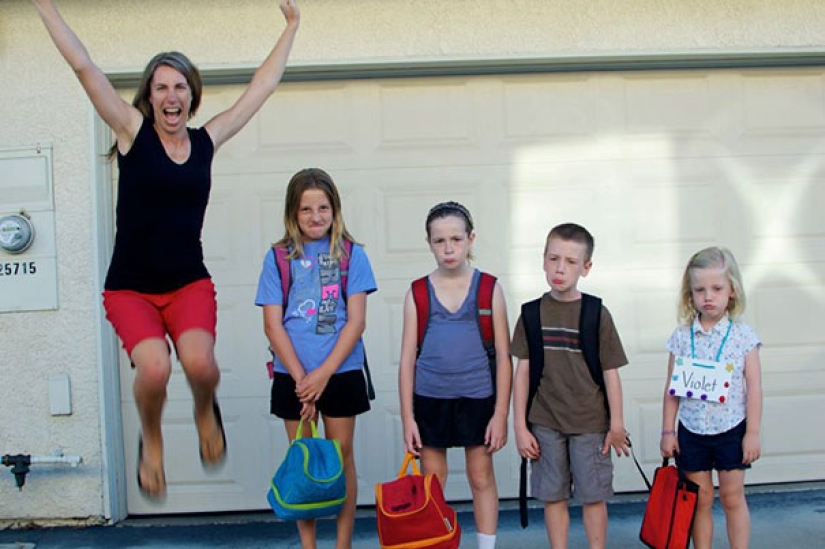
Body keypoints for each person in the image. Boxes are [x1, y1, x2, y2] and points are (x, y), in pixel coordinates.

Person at [32, 0, 301, 498]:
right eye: (161, 87)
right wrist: (44, 5)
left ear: (191, 94)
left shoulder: (206, 141)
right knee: (154, 368)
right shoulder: (132, 134)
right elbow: (83, 65)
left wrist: (292, 25)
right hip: (130, 288)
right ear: (149, 98)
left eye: (180, 86)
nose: (171, 95)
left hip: (187, 283)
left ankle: (204, 408)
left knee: (201, 365)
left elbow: (260, 89)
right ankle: (151, 438)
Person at [256, 168, 376, 549]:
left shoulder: (352, 255)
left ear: (335, 209)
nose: (316, 216)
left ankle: (342, 544)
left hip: (340, 372)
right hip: (293, 376)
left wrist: (322, 375)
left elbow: (356, 322)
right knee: (303, 458)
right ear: (292, 213)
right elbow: (273, 326)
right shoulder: (277, 258)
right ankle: (308, 545)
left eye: (323, 207)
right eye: (306, 209)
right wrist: (301, 380)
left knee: (341, 457)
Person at [398, 202, 512, 549]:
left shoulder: (489, 288)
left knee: (481, 477)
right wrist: (408, 420)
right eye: (439, 241)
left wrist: (500, 415)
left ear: (471, 239)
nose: (448, 249)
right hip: (430, 399)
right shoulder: (417, 292)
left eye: (456, 239)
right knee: (434, 482)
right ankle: (436, 542)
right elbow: (406, 362)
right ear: (429, 242)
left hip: (477, 398)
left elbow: (505, 359)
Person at [511, 223, 629, 549]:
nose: (560, 268)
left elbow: (610, 373)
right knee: (553, 496)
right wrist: (520, 426)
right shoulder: (531, 314)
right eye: (553, 259)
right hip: (545, 422)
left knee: (593, 497)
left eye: (571, 261)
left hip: (590, 423)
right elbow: (522, 373)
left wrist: (616, 423)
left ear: (586, 268)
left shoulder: (596, 313)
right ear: (543, 260)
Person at [660, 247, 763, 549]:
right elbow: (671, 389)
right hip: (692, 432)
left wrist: (752, 434)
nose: (708, 296)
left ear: (732, 290)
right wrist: (668, 431)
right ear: (689, 294)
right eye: (699, 289)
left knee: (732, 497)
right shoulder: (681, 337)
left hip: (731, 429)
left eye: (717, 288)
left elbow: (754, 387)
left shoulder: (743, 336)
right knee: (699, 500)